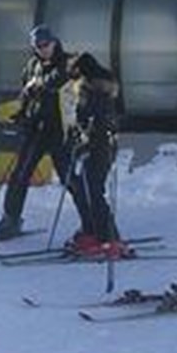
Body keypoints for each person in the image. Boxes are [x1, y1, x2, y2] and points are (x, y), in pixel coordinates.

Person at [0, 24, 70, 243]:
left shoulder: (65, 62)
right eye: (38, 46)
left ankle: (95, 224)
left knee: (70, 178)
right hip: (36, 130)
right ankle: (10, 220)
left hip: (59, 131)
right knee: (19, 175)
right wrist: (23, 113)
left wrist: (39, 85)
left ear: (54, 42)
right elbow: (26, 93)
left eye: (46, 44)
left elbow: (58, 81)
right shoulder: (33, 65)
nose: (43, 49)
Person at [61, 51, 131, 258]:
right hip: (98, 146)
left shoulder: (92, 91)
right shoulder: (98, 88)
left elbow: (94, 121)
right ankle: (93, 231)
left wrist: (83, 139)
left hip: (99, 147)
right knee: (86, 188)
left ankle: (108, 237)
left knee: (93, 190)